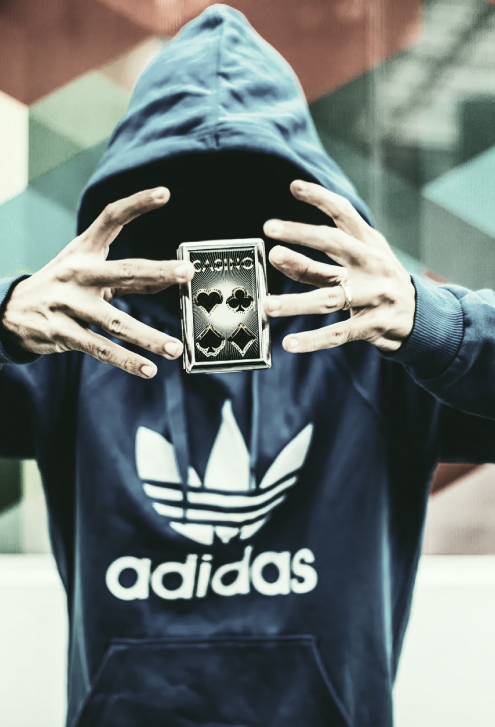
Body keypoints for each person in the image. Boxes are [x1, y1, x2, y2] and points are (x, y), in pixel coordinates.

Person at [1, 5, 495, 726]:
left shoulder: (371, 336)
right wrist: (7, 320)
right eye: (186, 208)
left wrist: (431, 320)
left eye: (248, 206)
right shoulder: (74, 342)